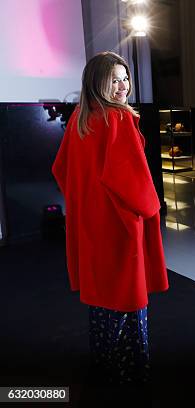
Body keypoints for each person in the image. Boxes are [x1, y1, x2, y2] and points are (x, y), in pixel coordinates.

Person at [52, 52, 169, 386]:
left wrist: (84, 200)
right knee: (126, 293)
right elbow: (129, 178)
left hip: (90, 223)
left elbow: (60, 169)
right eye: (114, 79)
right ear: (97, 82)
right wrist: (150, 207)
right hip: (119, 225)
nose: (122, 86)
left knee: (103, 295)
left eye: (125, 78)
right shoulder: (116, 118)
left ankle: (104, 363)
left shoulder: (80, 118)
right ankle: (132, 368)